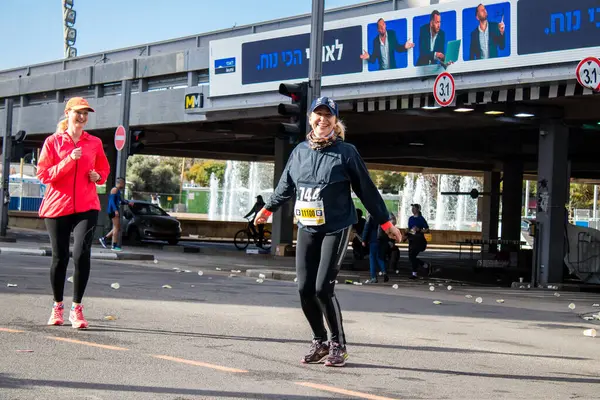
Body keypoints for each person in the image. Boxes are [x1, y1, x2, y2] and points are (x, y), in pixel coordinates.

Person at [253, 96, 402, 367]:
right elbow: (285, 186)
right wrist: (267, 210)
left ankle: (338, 345)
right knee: (304, 289)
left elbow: (365, 189)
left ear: (335, 121)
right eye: (318, 114)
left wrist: (385, 223)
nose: (323, 119)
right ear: (310, 118)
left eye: (328, 115)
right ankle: (319, 341)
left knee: (323, 288)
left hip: (336, 227)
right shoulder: (299, 152)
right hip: (308, 227)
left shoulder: (346, 152)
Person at [37, 97, 110, 329]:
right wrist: (69, 160)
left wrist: (99, 177)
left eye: (86, 113)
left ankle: (76, 309)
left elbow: (104, 169)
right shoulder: (53, 142)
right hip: (58, 206)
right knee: (60, 257)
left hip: (87, 206)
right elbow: (44, 175)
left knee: (81, 254)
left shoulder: (94, 143)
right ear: (67, 113)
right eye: (78, 112)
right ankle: (57, 306)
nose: (82, 117)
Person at [99, 177, 131, 251]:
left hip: (114, 210)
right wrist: (115, 210)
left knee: (117, 227)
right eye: (123, 183)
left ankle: (104, 239)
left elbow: (120, 201)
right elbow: (111, 201)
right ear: (120, 183)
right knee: (116, 228)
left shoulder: (118, 191)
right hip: (112, 210)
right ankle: (114, 246)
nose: (124, 185)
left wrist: (128, 203)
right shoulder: (114, 189)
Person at [362, 211, 393, 283]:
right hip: (382, 239)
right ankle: (384, 272)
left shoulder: (371, 216)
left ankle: (373, 277)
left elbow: (367, 227)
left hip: (373, 239)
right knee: (379, 256)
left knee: (372, 257)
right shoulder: (383, 215)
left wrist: (363, 239)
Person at [402, 204, 431, 279]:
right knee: (411, 257)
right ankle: (425, 266)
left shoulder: (421, 218)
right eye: (412, 208)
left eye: (414, 208)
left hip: (419, 240)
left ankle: (415, 273)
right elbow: (410, 229)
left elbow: (427, 230)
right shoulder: (410, 218)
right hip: (411, 239)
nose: (413, 210)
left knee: (412, 256)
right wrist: (406, 232)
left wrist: (420, 230)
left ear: (418, 210)